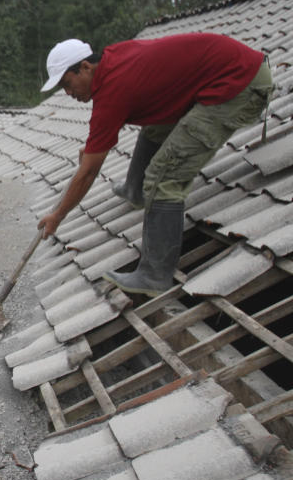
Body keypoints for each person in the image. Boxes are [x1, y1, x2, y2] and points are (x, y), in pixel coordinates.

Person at [36, 33, 273, 296]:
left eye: (68, 84)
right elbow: (105, 136)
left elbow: (89, 171)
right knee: (154, 127)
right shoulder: (113, 60)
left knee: (163, 177)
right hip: (231, 71)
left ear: (85, 67)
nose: (68, 93)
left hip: (240, 86)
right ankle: (134, 190)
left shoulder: (113, 89)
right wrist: (94, 146)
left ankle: (154, 275)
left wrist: (58, 216)